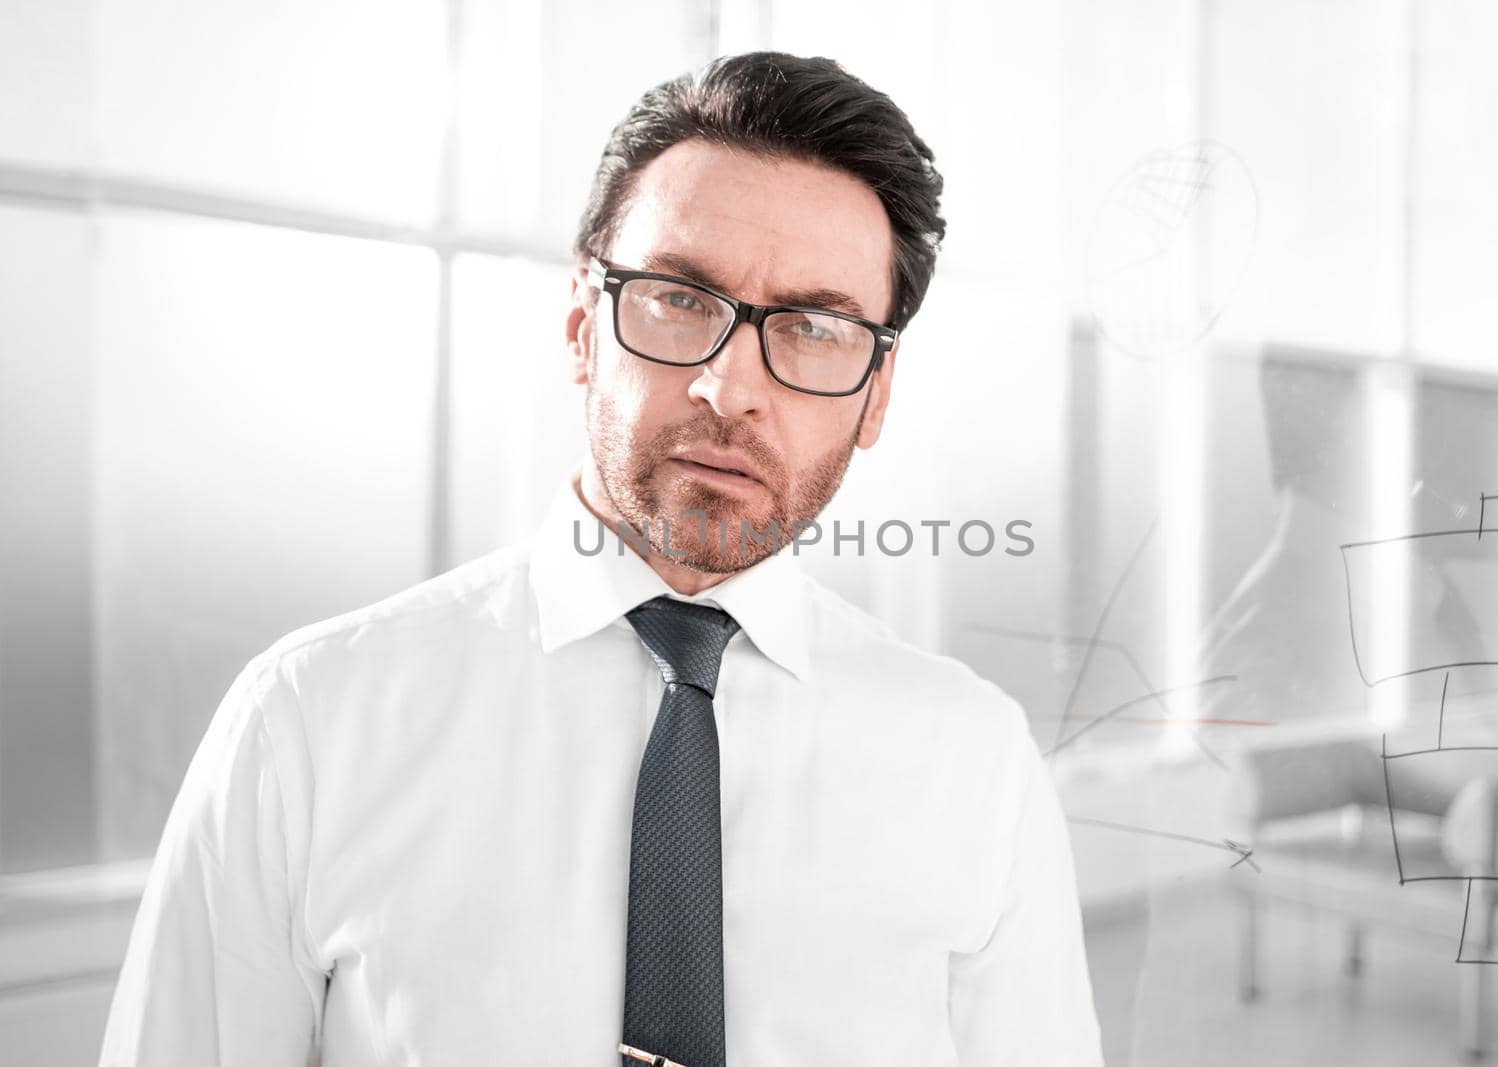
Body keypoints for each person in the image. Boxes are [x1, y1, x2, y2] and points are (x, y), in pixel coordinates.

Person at [99, 51, 1103, 1066]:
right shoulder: (306, 727)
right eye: (678, 297)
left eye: (811, 327)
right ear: (583, 322)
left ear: (877, 393)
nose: (728, 386)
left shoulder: (974, 762)